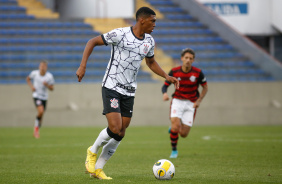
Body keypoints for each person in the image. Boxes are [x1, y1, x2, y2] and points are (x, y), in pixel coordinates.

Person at [76, 7, 179, 180]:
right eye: (152, 21)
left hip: (129, 90)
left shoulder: (149, 41)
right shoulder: (120, 34)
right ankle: (92, 151)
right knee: (115, 127)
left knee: (121, 132)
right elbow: (92, 42)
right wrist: (83, 66)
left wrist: (167, 76)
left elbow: (151, 62)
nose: (155, 24)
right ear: (142, 20)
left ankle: (98, 169)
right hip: (112, 85)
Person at [162, 48, 208, 158]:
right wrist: (164, 93)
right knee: (175, 126)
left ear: (193, 60)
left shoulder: (198, 73)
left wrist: (199, 100)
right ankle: (174, 150)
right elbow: (165, 85)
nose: (188, 60)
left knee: (183, 134)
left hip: (191, 103)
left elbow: (205, 87)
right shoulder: (174, 71)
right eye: (186, 58)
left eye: (190, 58)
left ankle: (174, 128)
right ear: (182, 58)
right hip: (177, 101)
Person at [26, 61, 55, 139]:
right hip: (36, 96)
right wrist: (31, 87)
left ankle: (37, 127)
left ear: (46, 67)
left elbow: (52, 88)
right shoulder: (34, 74)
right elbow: (28, 79)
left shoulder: (49, 76)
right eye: (41, 66)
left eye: (44, 66)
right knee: (41, 111)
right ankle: (36, 131)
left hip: (44, 97)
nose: (42, 67)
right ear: (39, 67)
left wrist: (47, 85)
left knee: (41, 115)